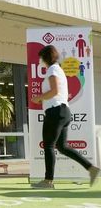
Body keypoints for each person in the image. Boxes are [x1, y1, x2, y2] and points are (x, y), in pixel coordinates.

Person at [31, 45, 99, 189]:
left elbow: (54, 91)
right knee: (62, 146)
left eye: (40, 58)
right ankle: (91, 168)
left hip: (55, 112)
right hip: (63, 112)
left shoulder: (52, 69)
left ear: (45, 58)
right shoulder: (58, 69)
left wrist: (38, 98)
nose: (39, 61)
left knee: (49, 146)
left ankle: (48, 181)